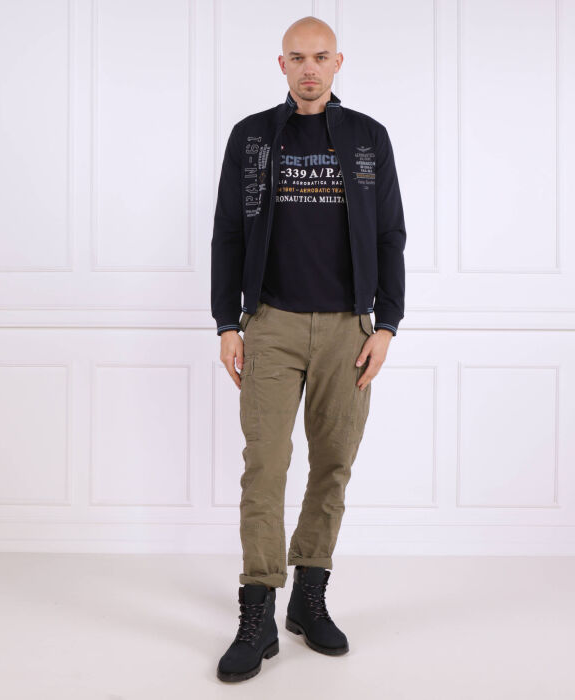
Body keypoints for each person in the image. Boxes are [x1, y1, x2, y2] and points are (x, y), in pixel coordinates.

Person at [211, 15, 406, 682]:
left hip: (350, 329)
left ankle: (309, 598)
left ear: (338, 61)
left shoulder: (368, 138)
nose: (309, 69)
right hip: (271, 324)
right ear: (282, 65)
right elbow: (227, 232)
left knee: (333, 466)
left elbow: (390, 235)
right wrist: (227, 323)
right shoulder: (253, 137)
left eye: (320, 57)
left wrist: (387, 325)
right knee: (264, 467)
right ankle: (258, 612)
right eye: (297, 58)